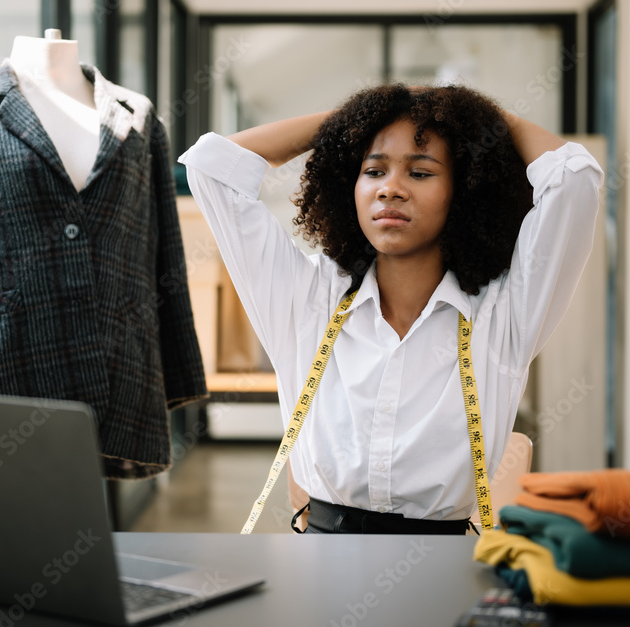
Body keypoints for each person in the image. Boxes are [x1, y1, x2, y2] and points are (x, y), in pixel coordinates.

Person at [178, 84, 603, 534]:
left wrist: (485, 122)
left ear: (463, 192)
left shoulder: (503, 314)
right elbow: (212, 168)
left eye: (420, 173)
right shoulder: (306, 297)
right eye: (374, 170)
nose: (391, 189)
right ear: (350, 185)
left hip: (444, 571)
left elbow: (574, 180)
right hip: (319, 566)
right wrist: (352, 121)